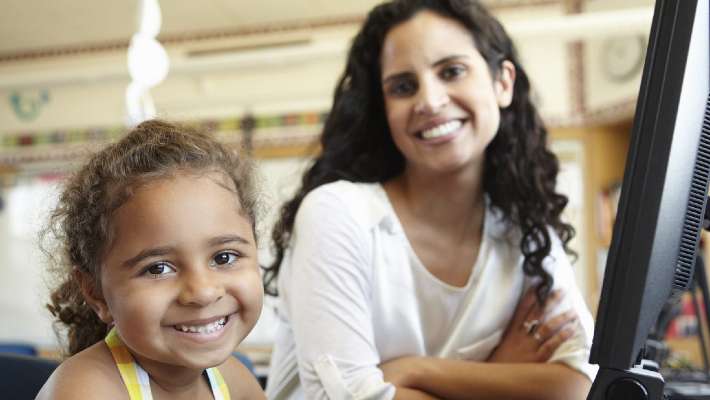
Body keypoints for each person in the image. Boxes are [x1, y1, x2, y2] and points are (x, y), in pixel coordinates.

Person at [263, 0, 597, 399]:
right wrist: (501, 372)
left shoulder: (529, 233)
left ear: (502, 83)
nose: (430, 101)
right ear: (383, 109)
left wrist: (416, 371)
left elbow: (576, 385)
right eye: (403, 87)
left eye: (452, 71)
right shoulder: (338, 213)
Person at [36, 120, 265, 400]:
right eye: (158, 268)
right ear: (96, 293)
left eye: (224, 257)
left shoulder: (235, 382)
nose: (203, 292)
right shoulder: (84, 392)